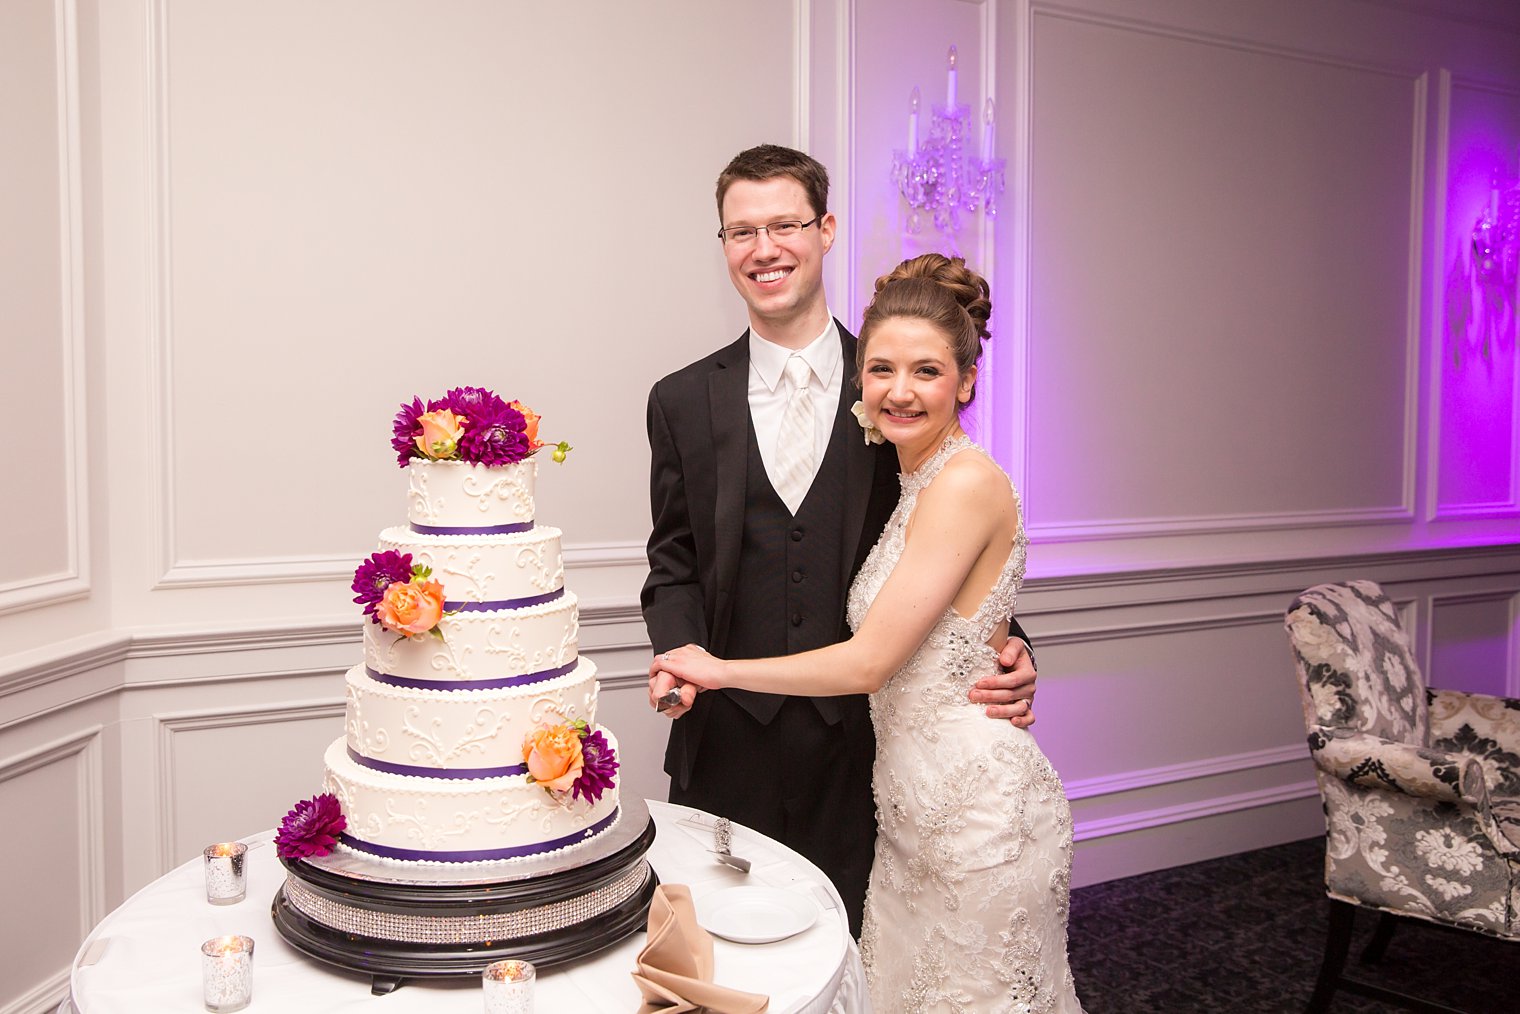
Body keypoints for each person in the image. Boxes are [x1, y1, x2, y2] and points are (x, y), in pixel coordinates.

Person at [652, 253, 1083, 1012]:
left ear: (967, 380)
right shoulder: (905, 462)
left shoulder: (962, 479)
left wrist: (718, 669)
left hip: (965, 804)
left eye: (926, 371)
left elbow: (875, 656)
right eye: (882, 369)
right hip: (905, 803)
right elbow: (676, 557)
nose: (900, 390)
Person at [641, 144, 1038, 937]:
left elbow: (957, 530)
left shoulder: (898, 375)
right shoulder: (681, 399)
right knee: (721, 957)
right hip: (725, 739)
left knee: (861, 952)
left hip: (861, 744)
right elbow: (673, 561)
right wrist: (681, 660)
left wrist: (1008, 646)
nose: (765, 249)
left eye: (785, 224)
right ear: (722, 247)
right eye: (741, 231)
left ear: (824, 230)